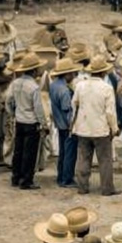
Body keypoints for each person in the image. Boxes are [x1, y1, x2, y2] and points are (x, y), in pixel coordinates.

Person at [71, 57, 120, 196]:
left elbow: (74, 103)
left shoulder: (80, 85)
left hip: (83, 128)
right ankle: (107, 188)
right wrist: (114, 128)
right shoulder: (107, 88)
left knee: (83, 158)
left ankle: (83, 186)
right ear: (103, 73)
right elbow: (110, 112)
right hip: (101, 129)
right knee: (105, 160)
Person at [7, 53, 46, 190]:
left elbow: (9, 101)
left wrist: (13, 113)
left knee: (18, 150)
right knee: (29, 153)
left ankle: (15, 177)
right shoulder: (33, 87)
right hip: (31, 122)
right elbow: (38, 108)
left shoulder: (15, 83)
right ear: (34, 70)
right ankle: (26, 180)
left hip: (19, 120)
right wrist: (44, 123)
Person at [48, 58, 80, 187]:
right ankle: (67, 179)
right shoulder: (64, 90)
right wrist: (73, 126)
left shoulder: (54, 85)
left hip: (59, 123)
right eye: (72, 73)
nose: (73, 75)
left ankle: (61, 176)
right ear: (66, 74)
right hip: (67, 125)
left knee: (62, 152)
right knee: (70, 153)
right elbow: (68, 111)